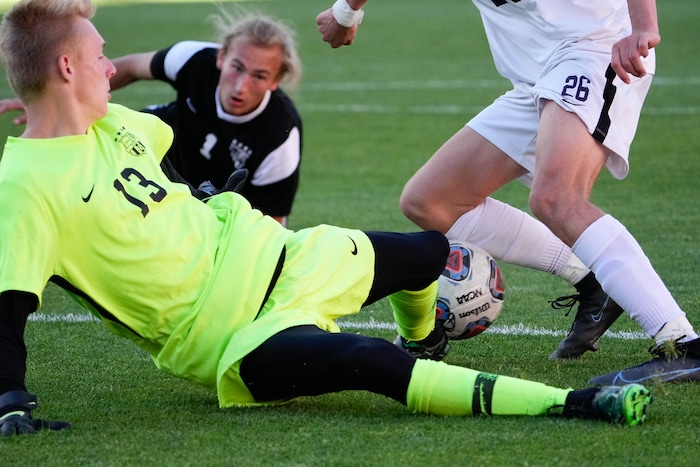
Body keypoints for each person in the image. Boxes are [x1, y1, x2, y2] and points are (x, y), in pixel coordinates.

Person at [0, 0, 654, 436]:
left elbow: (176, 125)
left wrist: (45, 103)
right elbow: (9, 304)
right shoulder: (28, 183)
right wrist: (11, 401)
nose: (110, 66)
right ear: (65, 67)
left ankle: (424, 338)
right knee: (367, 361)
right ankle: (571, 403)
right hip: (235, 339)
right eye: (97, 57)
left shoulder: (113, 120)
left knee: (427, 249)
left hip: (286, 255)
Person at [316, 0, 700, 384]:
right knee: (430, 201)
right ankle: (592, 277)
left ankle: (682, 342)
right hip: (536, 76)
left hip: (596, 48)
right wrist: (346, 12)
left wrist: (643, 26)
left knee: (557, 199)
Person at [0, 11, 303, 227]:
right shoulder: (194, 60)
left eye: (259, 76)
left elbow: (273, 222)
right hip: (156, 153)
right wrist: (53, 100)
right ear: (221, 57)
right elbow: (131, 67)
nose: (241, 85)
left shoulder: (280, 137)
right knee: (99, 137)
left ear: (276, 80)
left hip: (216, 201)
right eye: (237, 67)